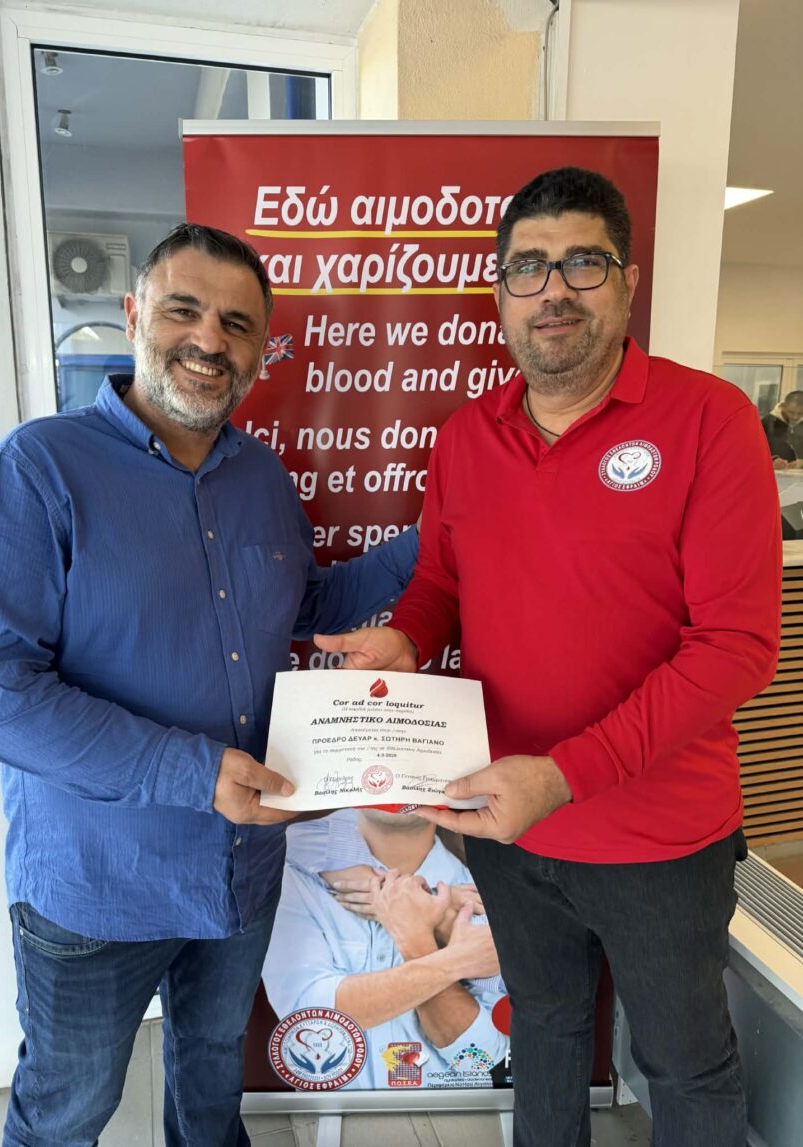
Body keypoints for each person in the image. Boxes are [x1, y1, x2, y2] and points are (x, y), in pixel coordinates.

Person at [315, 167, 782, 1147]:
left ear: (627, 281)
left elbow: (736, 647)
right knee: (546, 1029)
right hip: (503, 823)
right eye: (528, 267)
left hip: (659, 837)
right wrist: (406, 635)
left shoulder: (708, 420)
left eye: (582, 262)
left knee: (684, 1065)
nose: (554, 289)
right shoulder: (465, 437)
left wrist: (566, 773)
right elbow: (441, 581)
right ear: (501, 293)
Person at [0, 224, 418, 1147]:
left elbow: (301, 605)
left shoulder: (263, 477)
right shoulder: (39, 469)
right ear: (133, 315)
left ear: (262, 350)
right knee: (66, 1112)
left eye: (237, 324)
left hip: (239, 873)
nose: (208, 340)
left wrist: (443, 535)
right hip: (96, 885)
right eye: (183, 310)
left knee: (209, 1087)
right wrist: (190, 771)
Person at [261, 808, 506, 1090]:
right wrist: (453, 961)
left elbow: (481, 1061)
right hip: (331, 1111)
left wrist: (416, 937)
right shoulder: (295, 871)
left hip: (460, 1111)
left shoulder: (484, 893)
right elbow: (312, 1020)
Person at [761, 389, 803, 468]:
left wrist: (801, 463)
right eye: (791, 412)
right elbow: (753, 453)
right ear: (783, 406)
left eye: (800, 413)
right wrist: (772, 462)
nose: (795, 417)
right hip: (774, 473)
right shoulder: (766, 424)